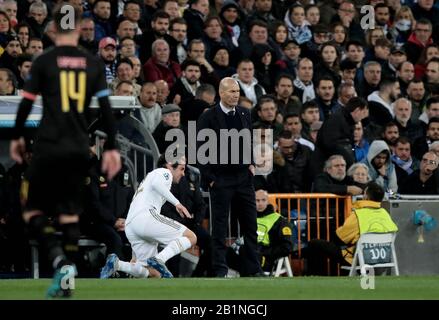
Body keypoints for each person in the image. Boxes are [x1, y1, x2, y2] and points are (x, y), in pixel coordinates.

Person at [9, 3, 121, 298]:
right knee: (70, 215)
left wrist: (18, 137)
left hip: (48, 147)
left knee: (31, 208)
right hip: (78, 149)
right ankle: (68, 278)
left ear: (54, 28)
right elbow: (107, 110)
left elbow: (26, 103)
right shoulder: (93, 63)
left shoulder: (44, 61)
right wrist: (112, 147)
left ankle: (60, 261)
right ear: (81, 28)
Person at [197, 77, 263, 277]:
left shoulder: (244, 113)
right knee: (219, 228)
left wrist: (251, 163)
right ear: (221, 93)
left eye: (237, 92)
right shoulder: (208, 117)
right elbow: (200, 150)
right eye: (231, 92)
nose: (235, 95)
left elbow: (248, 140)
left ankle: (253, 269)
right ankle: (219, 269)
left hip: (243, 178)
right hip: (221, 180)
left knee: (251, 225)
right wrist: (210, 178)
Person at [100, 154, 197, 279]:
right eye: (182, 168)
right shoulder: (164, 172)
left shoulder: (148, 178)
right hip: (145, 217)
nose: (183, 174)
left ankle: (117, 264)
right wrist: (177, 203)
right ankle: (159, 259)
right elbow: (158, 184)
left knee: (153, 273)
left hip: (131, 225)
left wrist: (135, 254)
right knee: (191, 237)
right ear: (169, 165)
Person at [304, 182, 398, 276]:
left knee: (315, 244)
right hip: (382, 260)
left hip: (358, 259)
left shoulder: (359, 215)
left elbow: (339, 238)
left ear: (366, 196)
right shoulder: (385, 214)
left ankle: (315, 277)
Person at [227, 189, 293, 274]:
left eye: (263, 200)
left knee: (246, 250)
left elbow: (287, 247)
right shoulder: (247, 217)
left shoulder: (279, 220)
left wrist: (263, 252)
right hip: (245, 253)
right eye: (257, 200)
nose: (260, 203)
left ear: (268, 201)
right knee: (223, 251)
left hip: (265, 257)